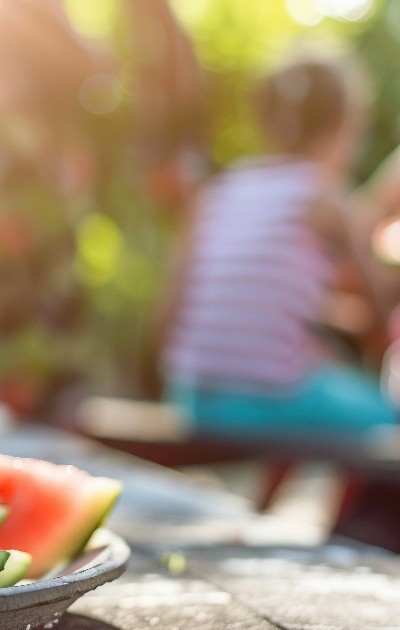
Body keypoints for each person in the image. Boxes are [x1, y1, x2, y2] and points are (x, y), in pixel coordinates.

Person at [159, 56, 397, 437]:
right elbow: (381, 322)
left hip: (191, 397)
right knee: (388, 414)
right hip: (268, 401)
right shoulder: (321, 195)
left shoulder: (219, 191)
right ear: (343, 127)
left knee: (314, 373)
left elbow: (169, 317)